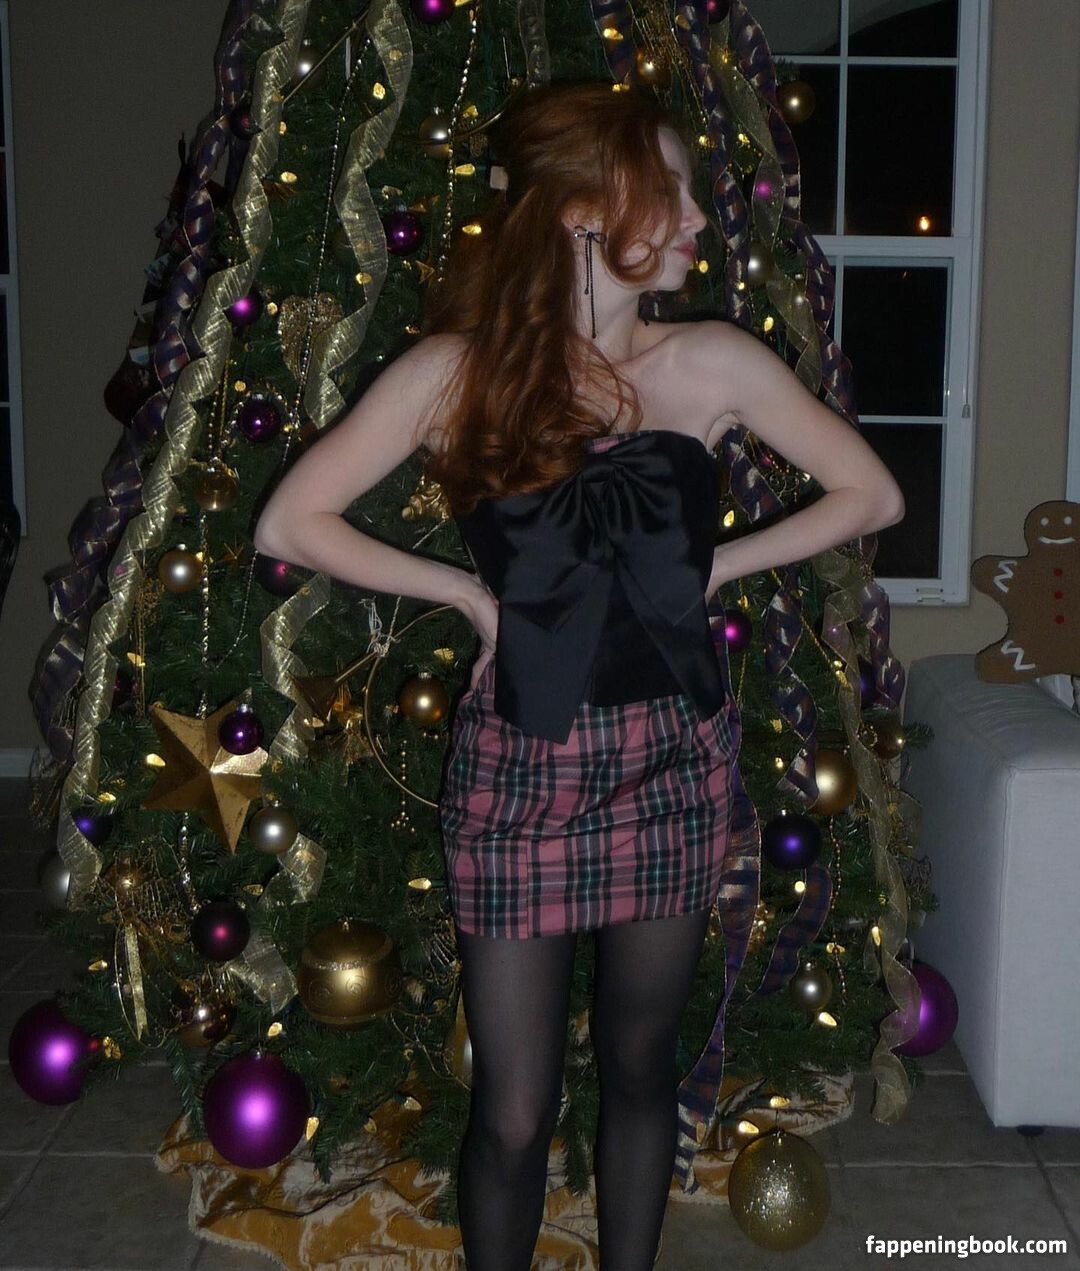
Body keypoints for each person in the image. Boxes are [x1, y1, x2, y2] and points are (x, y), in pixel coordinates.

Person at [255, 79, 904, 1271]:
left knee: (643, 1067)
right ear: (581, 213)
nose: (701, 220)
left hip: (674, 757)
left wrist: (716, 567)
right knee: (512, 1109)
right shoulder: (457, 370)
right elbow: (292, 520)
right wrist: (466, 594)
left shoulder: (712, 360)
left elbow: (874, 492)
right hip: (521, 768)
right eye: (673, 194)